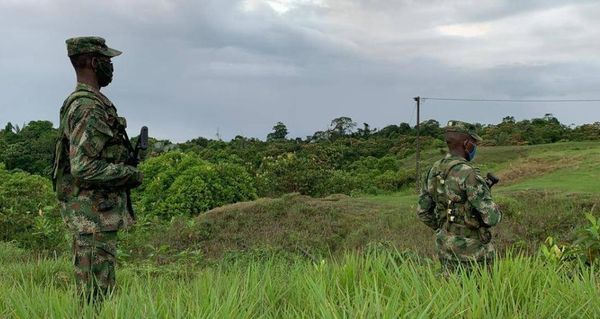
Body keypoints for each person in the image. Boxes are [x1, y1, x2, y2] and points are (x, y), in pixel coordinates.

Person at [51, 36, 142, 303]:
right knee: (95, 296)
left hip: (95, 215)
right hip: (93, 216)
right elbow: (83, 167)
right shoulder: (88, 107)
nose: (111, 67)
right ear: (93, 62)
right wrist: (129, 174)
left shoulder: (86, 101)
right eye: (107, 61)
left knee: (97, 291)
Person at [417, 120, 502, 274]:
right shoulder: (469, 174)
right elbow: (491, 218)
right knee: (479, 295)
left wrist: (444, 229)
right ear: (466, 144)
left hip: (445, 246)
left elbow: (423, 212)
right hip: (473, 253)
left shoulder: (433, 170)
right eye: (474, 142)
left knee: (450, 293)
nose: (475, 147)